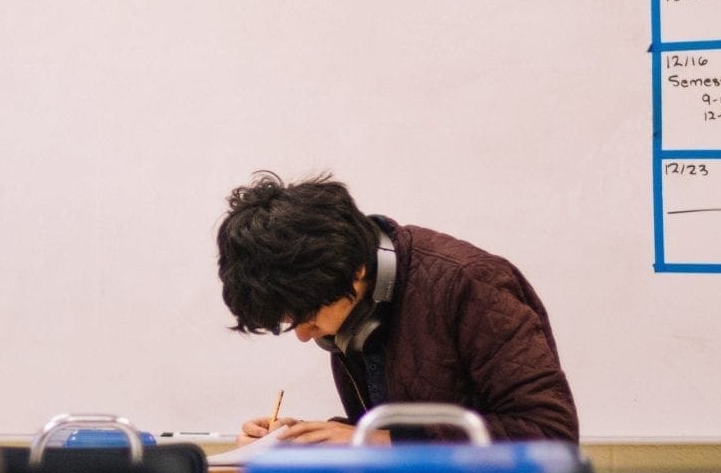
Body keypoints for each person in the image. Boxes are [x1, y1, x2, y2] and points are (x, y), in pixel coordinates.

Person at [216, 171, 578, 446]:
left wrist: (380, 442)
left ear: (355, 271)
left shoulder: (471, 282)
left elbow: (550, 433)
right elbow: (400, 426)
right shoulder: (356, 307)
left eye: (306, 318)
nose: (303, 336)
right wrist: (306, 440)